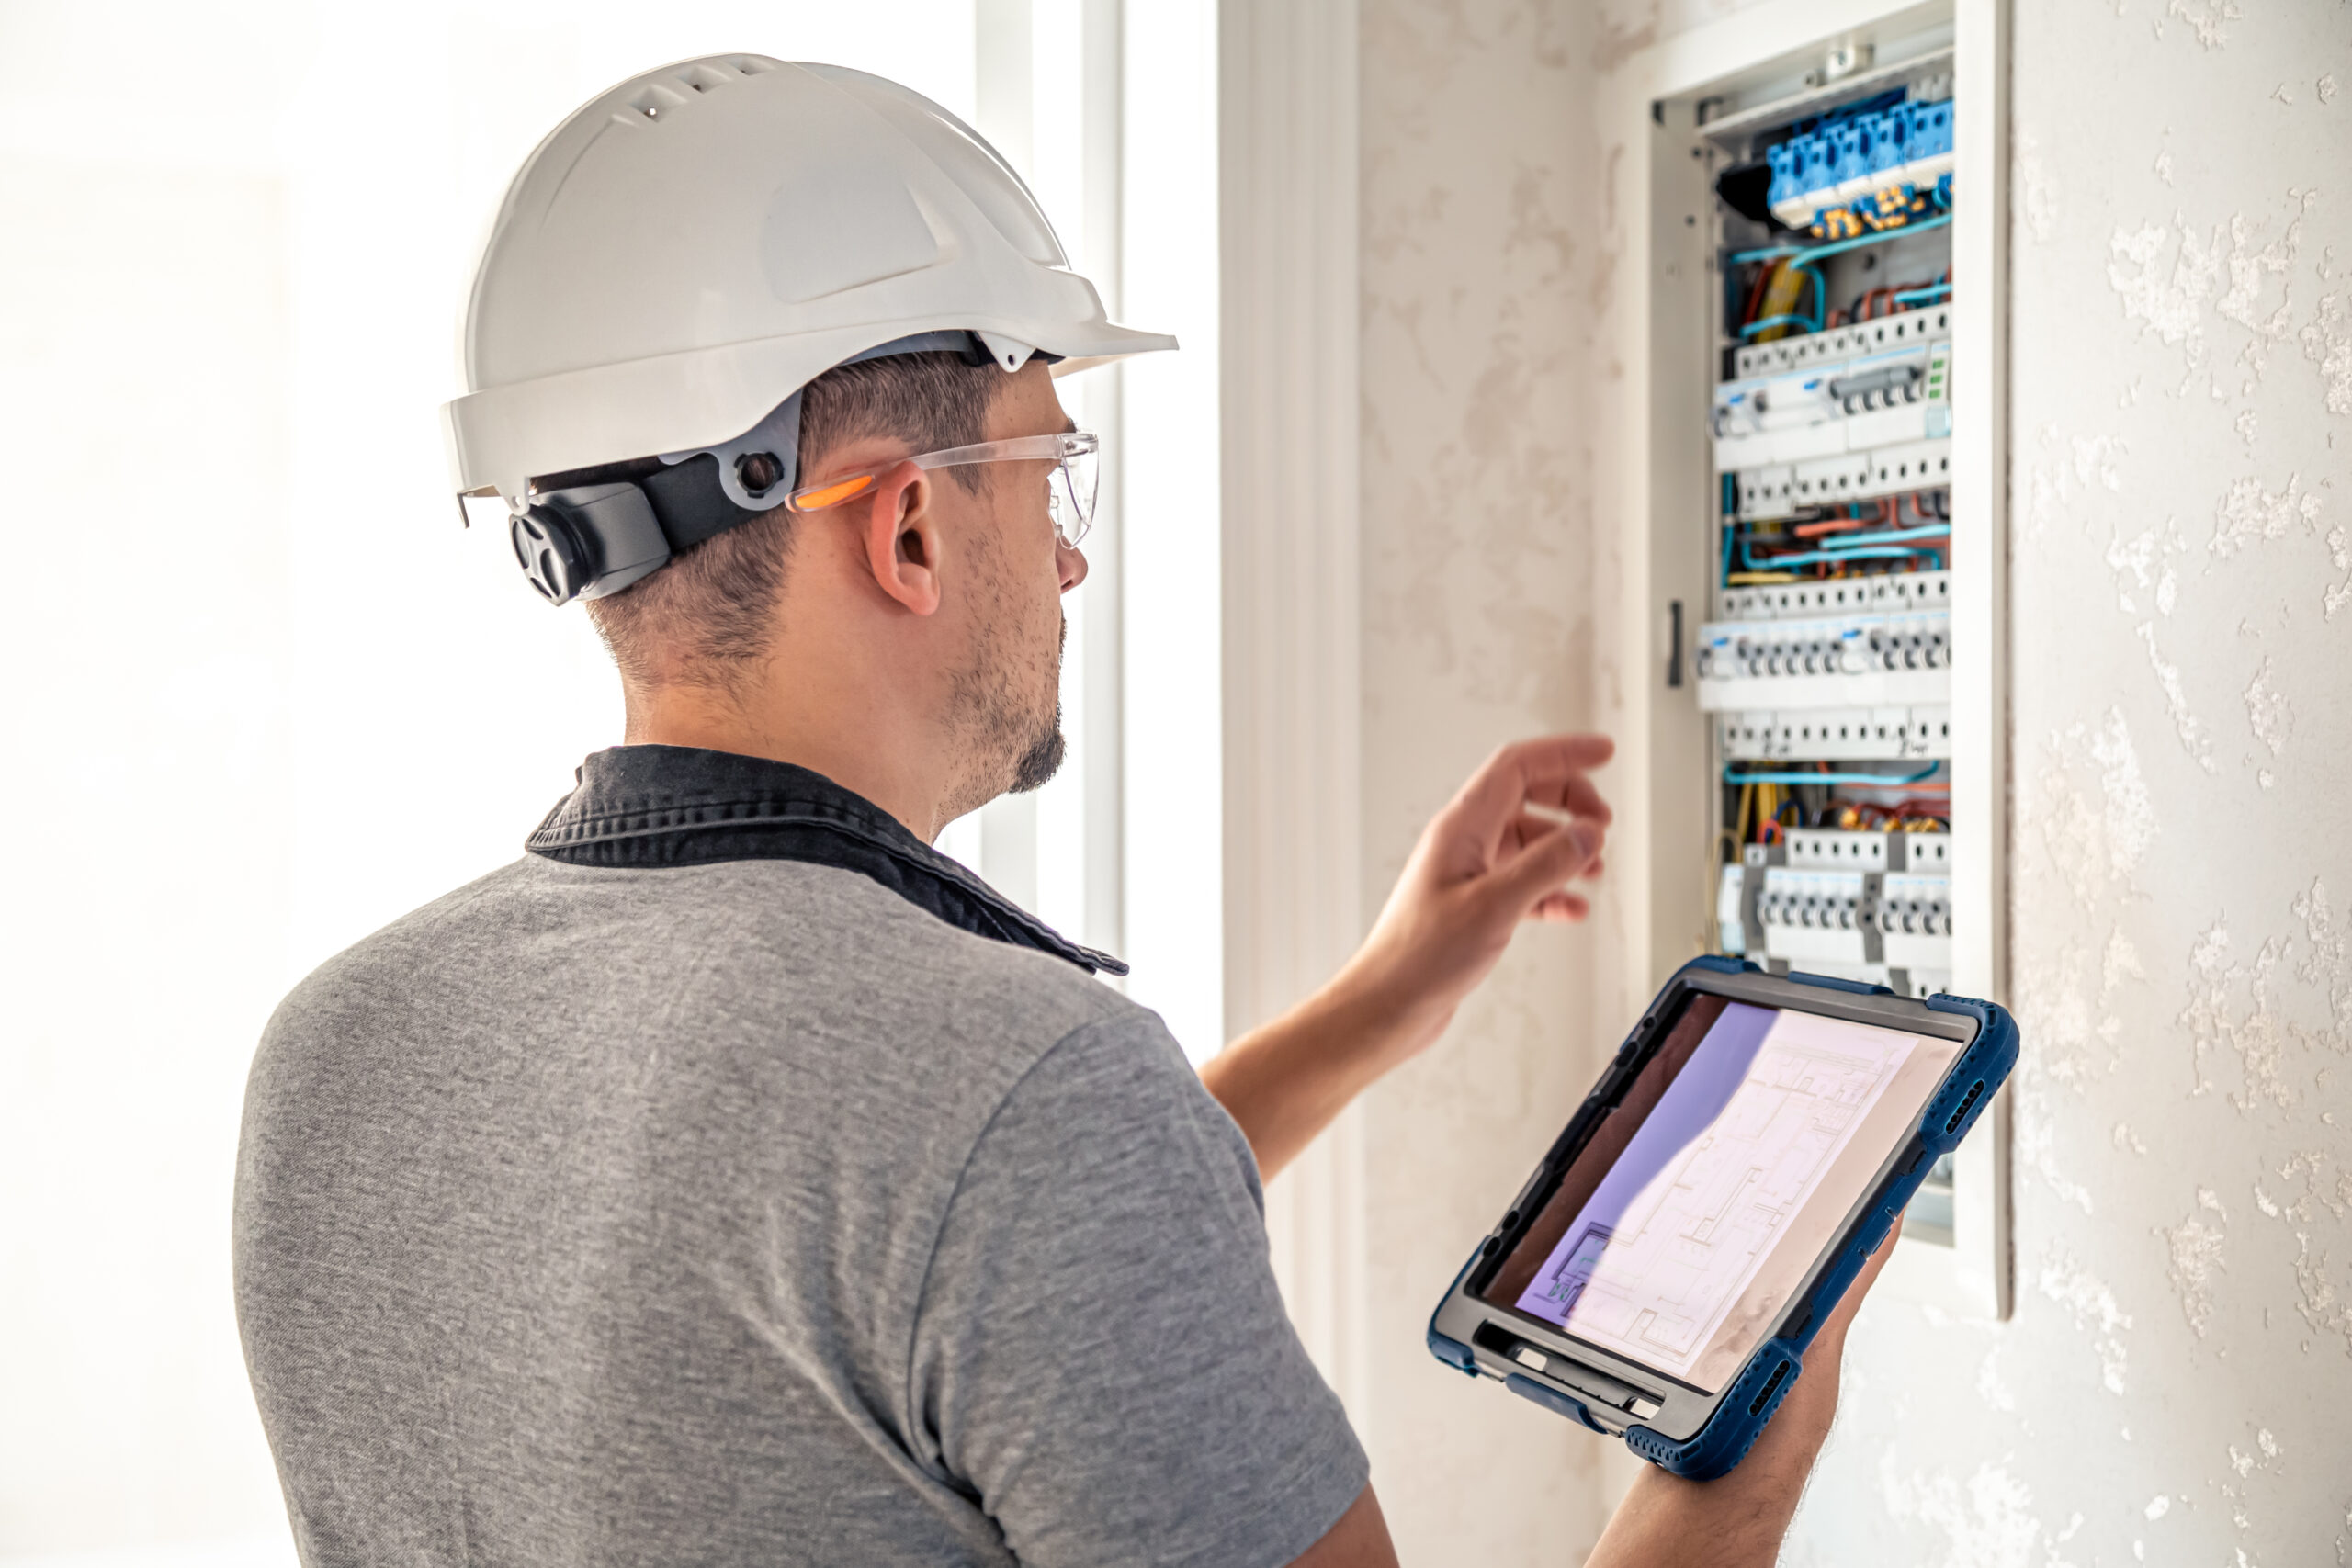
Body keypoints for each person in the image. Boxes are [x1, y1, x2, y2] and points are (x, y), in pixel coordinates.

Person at [232, 56, 1890, 1568]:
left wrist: (1389, 1001)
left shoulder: (342, 1047)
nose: (1074, 554)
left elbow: (914, 1286)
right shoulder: (1008, 1094)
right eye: (1049, 473)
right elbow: (963, 1217)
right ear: (909, 534)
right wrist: (1735, 1463)